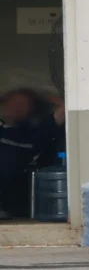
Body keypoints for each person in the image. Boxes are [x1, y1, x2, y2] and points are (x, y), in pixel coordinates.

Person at [0, 89, 65, 219]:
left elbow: (66, 110)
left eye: (24, 104)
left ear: (31, 110)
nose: (16, 107)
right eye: (13, 102)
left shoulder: (32, 133)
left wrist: (46, 96)